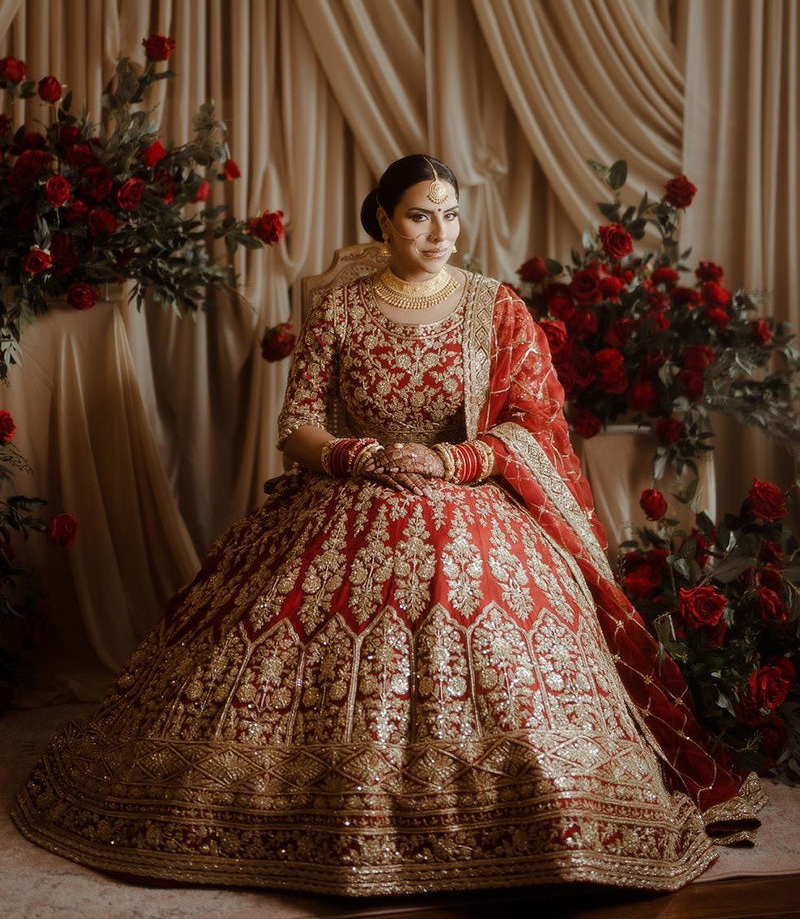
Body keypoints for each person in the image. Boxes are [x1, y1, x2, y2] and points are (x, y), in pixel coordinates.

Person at [13, 154, 763, 896]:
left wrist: (454, 465)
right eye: (419, 214)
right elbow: (298, 424)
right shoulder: (339, 306)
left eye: (451, 213)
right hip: (348, 491)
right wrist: (360, 454)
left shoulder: (495, 307)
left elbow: (533, 426)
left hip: (467, 498)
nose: (440, 231)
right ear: (382, 218)